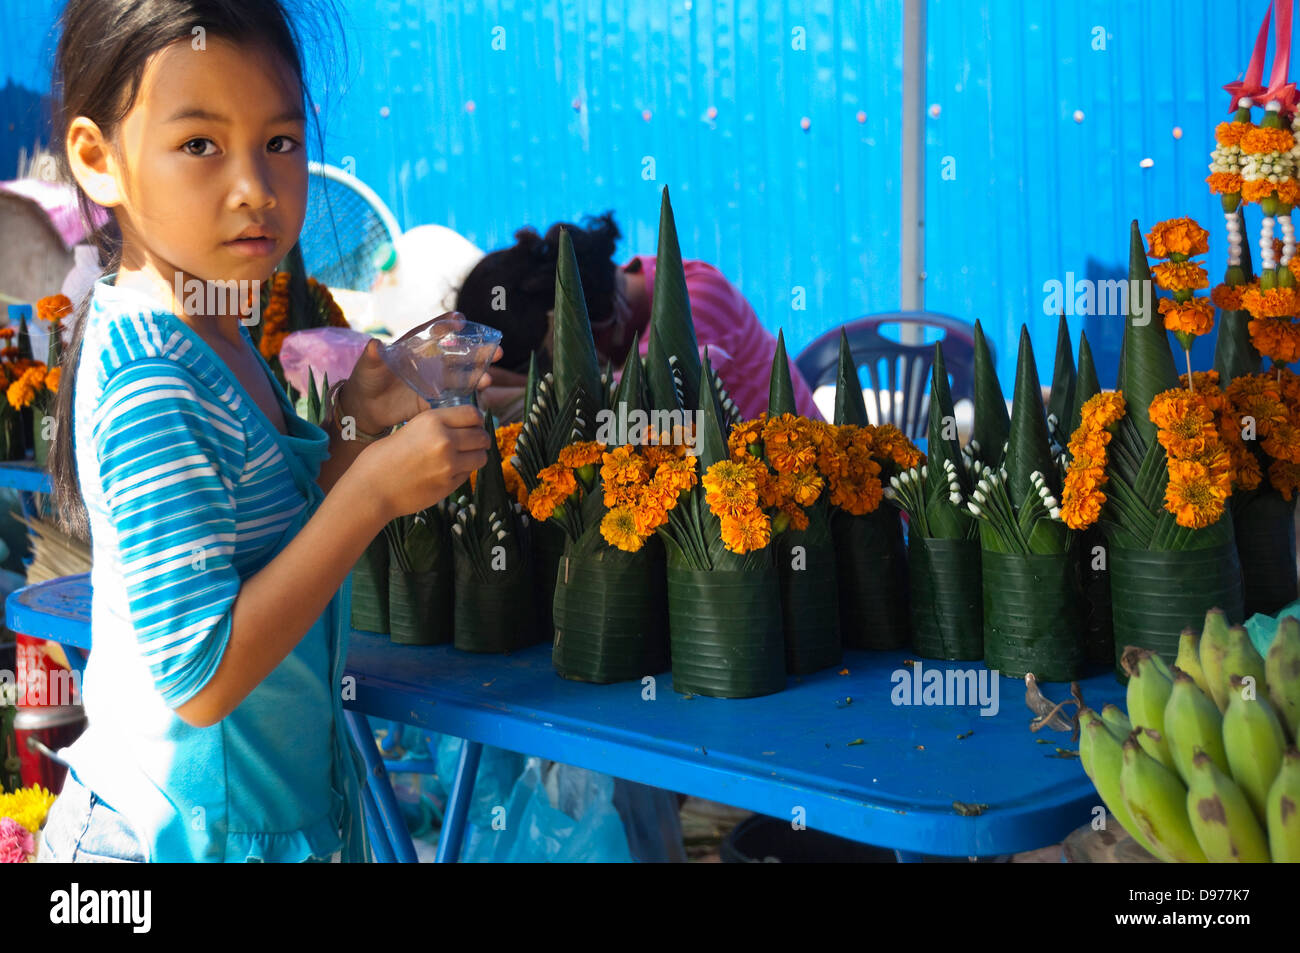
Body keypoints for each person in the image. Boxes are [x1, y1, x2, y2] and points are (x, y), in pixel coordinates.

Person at [37, 0, 496, 862]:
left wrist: (358, 416)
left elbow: (274, 537)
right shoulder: (152, 378)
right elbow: (201, 678)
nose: (254, 186)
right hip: (168, 838)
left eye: (280, 141)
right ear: (99, 161)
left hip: (251, 814)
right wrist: (371, 495)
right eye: (200, 144)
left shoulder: (210, 324)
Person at [457, 212, 823, 422]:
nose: (555, 371)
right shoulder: (633, 289)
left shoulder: (699, 298)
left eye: (554, 360)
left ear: (595, 331)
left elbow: (627, 400)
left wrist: (501, 390)